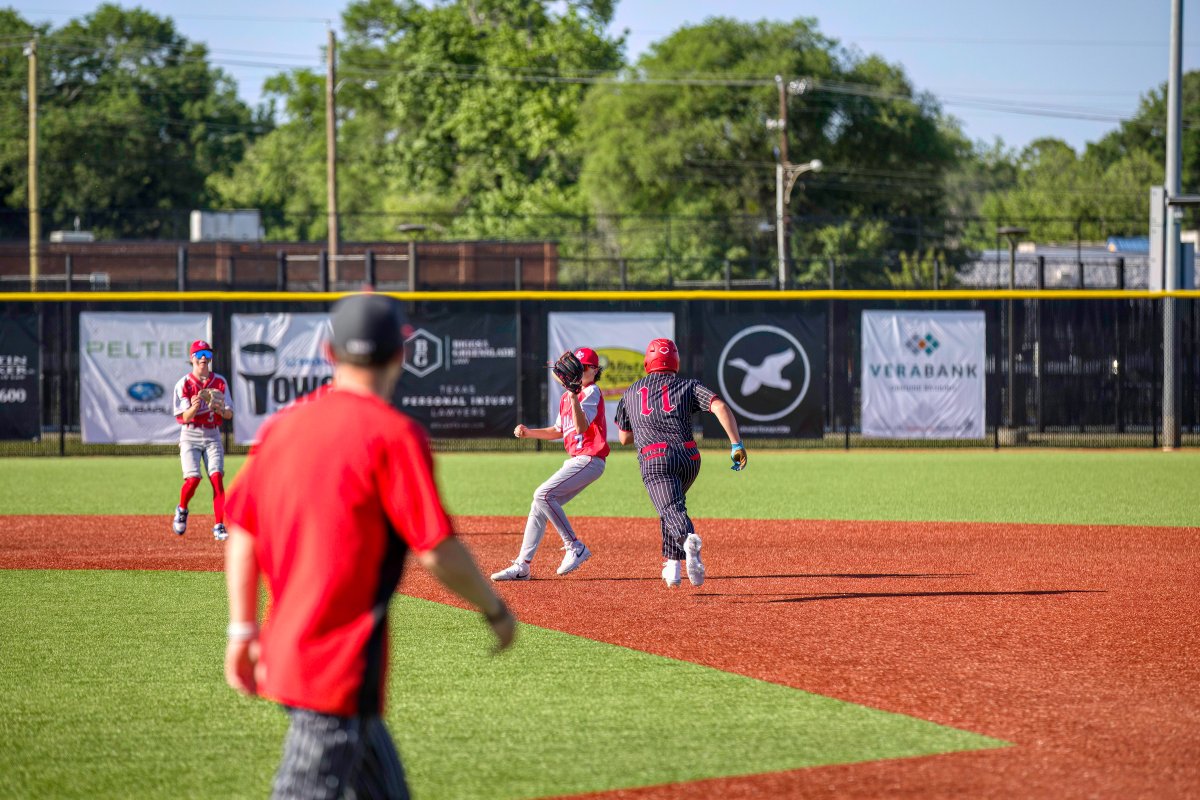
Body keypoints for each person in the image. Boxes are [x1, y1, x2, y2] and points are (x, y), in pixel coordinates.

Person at [223, 293, 517, 800]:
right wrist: (495, 609)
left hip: (287, 649)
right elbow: (436, 550)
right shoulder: (394, 434)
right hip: (338, 665)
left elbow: (243, 530)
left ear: (329, 353)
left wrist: (241, 630)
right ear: (401, 355)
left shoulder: (283, 428)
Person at [613, 338, 747, 588]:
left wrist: (645, 426)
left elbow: (623, 438)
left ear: (647, 362)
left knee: (671, 509)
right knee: (672, 504)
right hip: (689, 457)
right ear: (675, 361)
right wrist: (736, 445)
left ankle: (688, 540)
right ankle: (673, 566)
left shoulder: (631, 392)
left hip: (655, 458)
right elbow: (719, 406)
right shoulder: (688, 385)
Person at [491, 347, 608, 581]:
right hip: (577, 460)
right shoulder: (566, 397)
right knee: (539, 504)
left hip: (590, 458)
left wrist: (574, 395)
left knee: (543, 494)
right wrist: (529, 433)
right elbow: (558, 430)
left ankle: (574, 546)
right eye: (578, 367)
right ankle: (522, 566)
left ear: (595, 370)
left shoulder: (591, 391)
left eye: (585, 367)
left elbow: (581, 427)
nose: (580, 371)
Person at [171, 339, 233, 541]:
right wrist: (195, 407)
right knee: (193, 479)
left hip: (212, 435)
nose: (204, 358)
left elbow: (229, 414)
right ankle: (182, 509)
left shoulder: (220, 382)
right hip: (190, 435)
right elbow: (184, 417)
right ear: (192, 358)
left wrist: (219, 409)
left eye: (207, 354)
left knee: (217, 478)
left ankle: (219, 525)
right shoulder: (184, 384)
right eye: (199, 354)